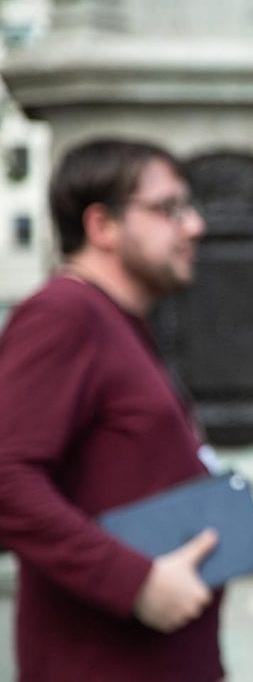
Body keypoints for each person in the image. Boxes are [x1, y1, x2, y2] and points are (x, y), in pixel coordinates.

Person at [0, 139, 224, 681]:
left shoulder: (114, 319)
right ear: (102, 226)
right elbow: (5, 477)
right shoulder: (63, 314)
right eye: (169, 209)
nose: (193, 226)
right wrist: (135, 582)